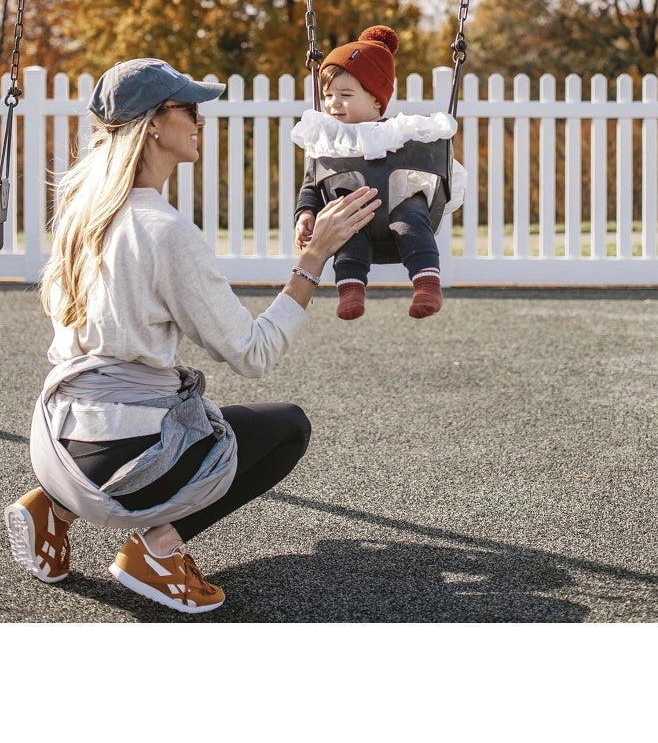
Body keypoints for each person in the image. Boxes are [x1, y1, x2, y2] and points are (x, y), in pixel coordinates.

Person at [3, 57, 380, 614]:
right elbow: (254, 354)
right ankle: (156, 550)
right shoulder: (165, 230)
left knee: (173, 405)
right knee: (287, 428)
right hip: (122, 467)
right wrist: (313, 258)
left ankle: (51, 508)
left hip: (54, 443)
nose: (200, 119)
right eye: (189, 108)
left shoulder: (83, 212)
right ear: (154, 123)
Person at [293, 25, 465, 321]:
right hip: (354, 212)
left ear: (376, 99)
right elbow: (312, 182)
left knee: (411, 220)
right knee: (347, 233)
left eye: (345, 94)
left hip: (400, 202)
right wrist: (305, 213)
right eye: (328, 94)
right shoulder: (327, 139)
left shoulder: (397, 132)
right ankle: (350, 291)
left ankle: (426, 286)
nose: (334, 102)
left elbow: (431, 143)